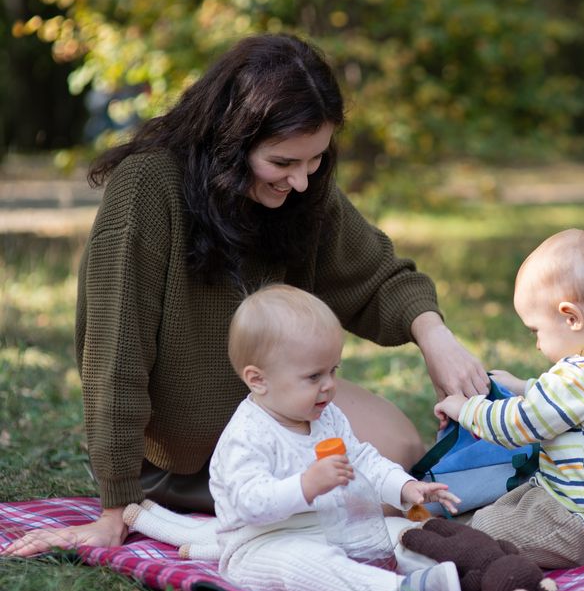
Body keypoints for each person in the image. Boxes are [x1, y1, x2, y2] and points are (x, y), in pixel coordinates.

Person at [2, 33, 488, 558]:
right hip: (181, 460)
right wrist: (114, 508)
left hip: (275, 411)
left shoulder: (302, 190)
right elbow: (114, 354)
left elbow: (375, 276)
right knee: (358, 490)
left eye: (315, 161)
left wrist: (434, 336)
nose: (301, 182)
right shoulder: (147, 187)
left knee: (400, 452)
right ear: (232, 142)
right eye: (283, 163)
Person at [210, 284, 462, 591]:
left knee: (402, 531)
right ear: (258, 380)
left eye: (333, 370)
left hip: (329, 526)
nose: (329, 385)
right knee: (310, 565)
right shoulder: (247, 435)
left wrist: (404, 487)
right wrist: (306, 485)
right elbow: (250, 504)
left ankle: (459, 574)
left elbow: (363, 460)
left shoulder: (326, 416)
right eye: (314, 376)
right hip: (262, 546)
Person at [435, 229, 584, 569]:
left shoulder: (578, 377)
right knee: (512, 503)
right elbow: (574, 404)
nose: (537, 344)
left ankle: (451, 555)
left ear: (571, 317)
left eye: (536, 330)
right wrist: (522, 385)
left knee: (488, 527)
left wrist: (464, 408)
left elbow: (518, 426)